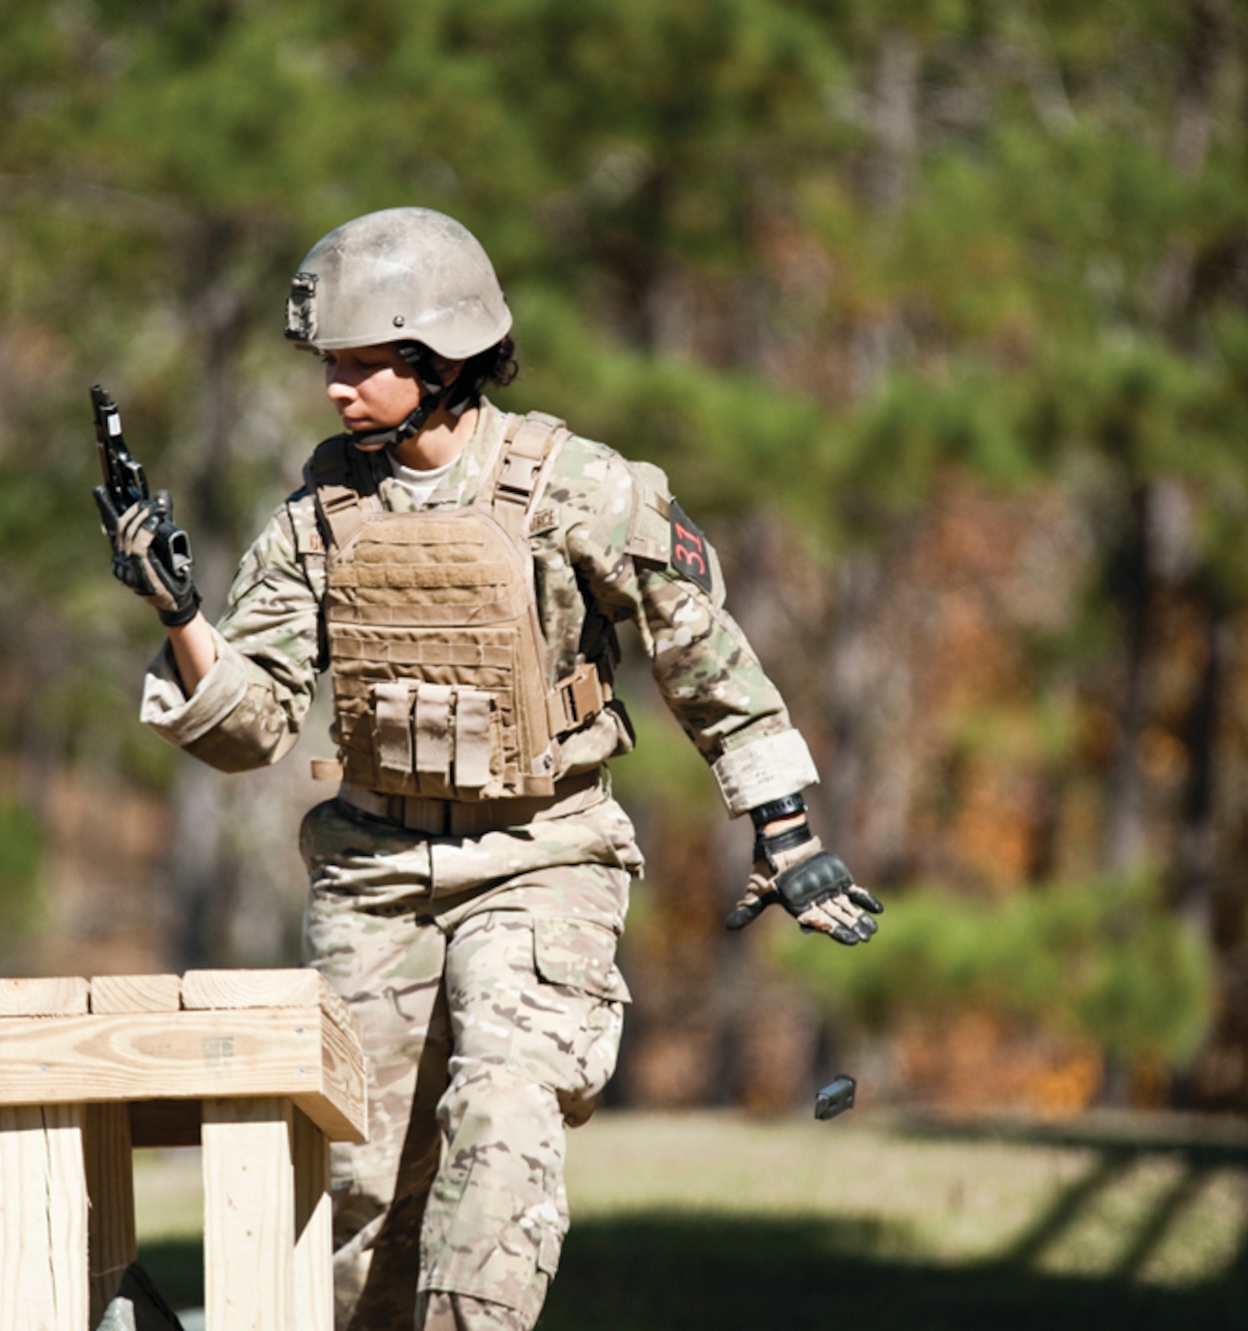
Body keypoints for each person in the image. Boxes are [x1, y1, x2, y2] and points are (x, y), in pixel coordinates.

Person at [105, 206, 883, 1331]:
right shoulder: (319, 512)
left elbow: (699, 644)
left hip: (542, 857)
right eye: (329, 363)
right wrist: (179, 613)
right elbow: (251, 727)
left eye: (360, 364)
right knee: (358, 1194)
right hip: (373, 873)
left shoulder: (577, 485)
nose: (334, 387)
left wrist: (786, 828)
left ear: (441, 358)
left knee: (502, 1129)